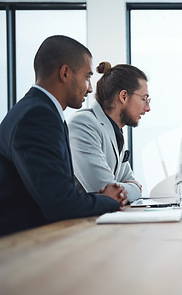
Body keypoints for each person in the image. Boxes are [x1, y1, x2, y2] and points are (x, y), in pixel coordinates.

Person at [0, 35, 127, 237]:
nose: (90, 88)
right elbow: (59, 204)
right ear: (65, 73)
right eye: (87, 77)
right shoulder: (38, 116)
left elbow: (56, 193)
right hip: (21, 245)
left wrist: (100, 198)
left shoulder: (37, 110)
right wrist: (108, 200)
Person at [68, 62, 149, 203]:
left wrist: (133, 187)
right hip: (77, 222)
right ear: (123, 96)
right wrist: (132, 188)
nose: (147, 108)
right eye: (144, 99)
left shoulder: (115, 130)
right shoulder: (83, 123)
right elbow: (106, 190)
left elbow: (132, 183)